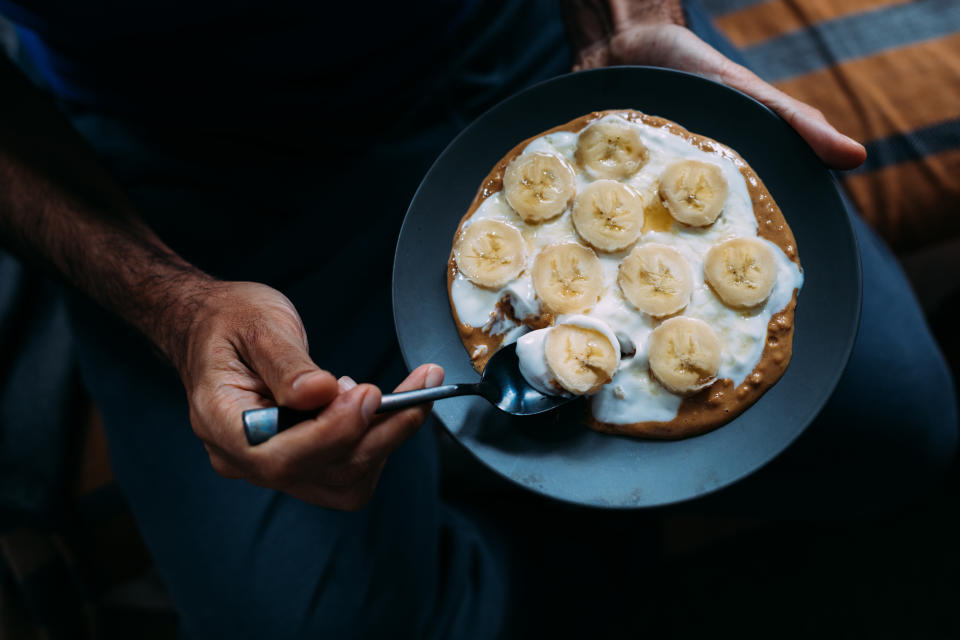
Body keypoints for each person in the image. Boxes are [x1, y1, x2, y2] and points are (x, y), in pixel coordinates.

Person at [0, 0, 953, 637]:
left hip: (520, 43)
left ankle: (574, 530)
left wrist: (631, 22)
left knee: (898, 428)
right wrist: (173, 304)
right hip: (197, 169)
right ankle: (553, 560)